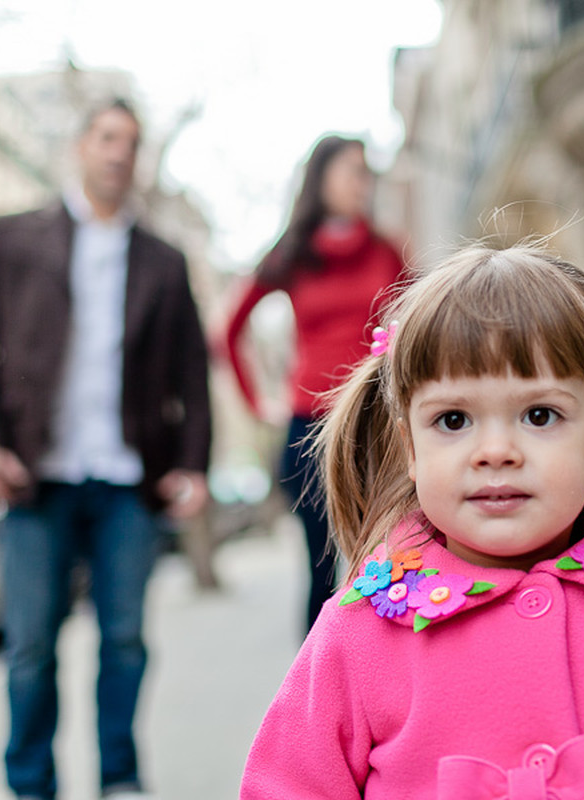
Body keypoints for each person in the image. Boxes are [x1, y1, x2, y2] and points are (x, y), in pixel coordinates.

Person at [240, 245, 584, 798]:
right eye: (453, 419)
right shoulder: (357, 633)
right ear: (408, 448)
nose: (496, 450)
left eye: (540, 415)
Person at [0, 98, 212, 800]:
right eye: (105, 137)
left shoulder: (163, 258)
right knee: (30, 649)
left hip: (130, 480)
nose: (117, 153)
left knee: (125, 642)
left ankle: (120, 778)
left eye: (131, 142)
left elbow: (194, 367)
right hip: (35, 478)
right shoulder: (13, 238)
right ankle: (30, 784)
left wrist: (193, 463)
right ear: (79, 145)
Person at [215, 134, 405, 631]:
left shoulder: (388, 254)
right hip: (311, 431)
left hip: (377, 427)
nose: (363, 183)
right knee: (321, 578)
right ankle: (318, 698)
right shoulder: (291, 256)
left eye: (367, 173)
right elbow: (228, 332)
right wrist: (259, 403)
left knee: (385, 568)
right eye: (353, 172)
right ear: (322, 180)